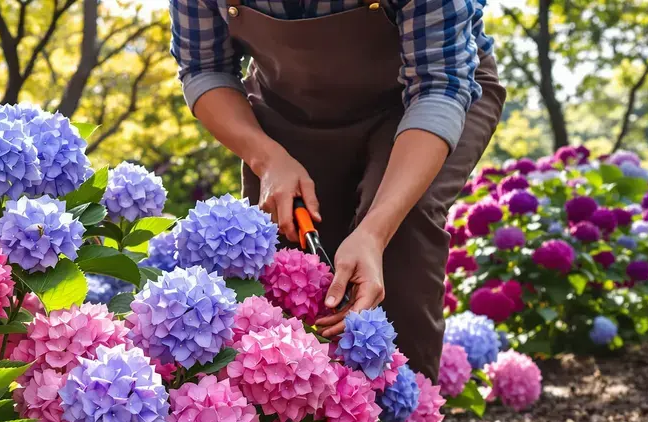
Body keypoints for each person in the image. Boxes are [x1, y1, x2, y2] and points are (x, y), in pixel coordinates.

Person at [168, 0, 505, 381]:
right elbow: (203, 67)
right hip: (291, 106)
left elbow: (439, 85)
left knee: (399, 239)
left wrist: (375, 233)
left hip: (429, 95)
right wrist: (268, 159)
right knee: (291, 262)